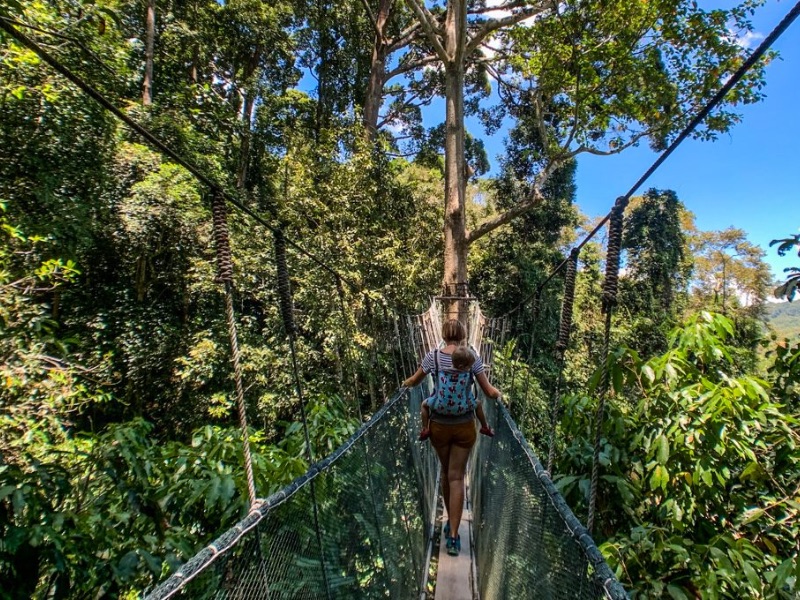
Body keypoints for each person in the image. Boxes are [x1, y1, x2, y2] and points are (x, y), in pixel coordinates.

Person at [402, 319, 501, 557]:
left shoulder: (433, 357)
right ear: (463, 335)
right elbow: (488, 391)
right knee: (457, 477)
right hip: (465, 426)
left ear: (444, 335)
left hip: (438, 426)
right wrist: (499, 394)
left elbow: (415, 381)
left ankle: (450, 523)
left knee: (446, 473)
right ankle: (454, 536)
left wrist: (403, 384)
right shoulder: (472, 358)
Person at [418, 343, 494, 441]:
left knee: (424, 405)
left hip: (440, 406)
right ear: (462, 366)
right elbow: (488, 391)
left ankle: (425, 429)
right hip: (463, 407)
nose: (469, 368)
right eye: (469, 367)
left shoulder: (441, 370)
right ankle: (485, 427)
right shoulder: (465, 374)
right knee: (478, 404)